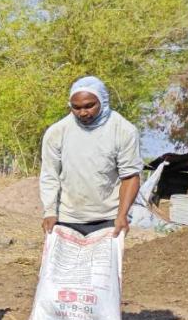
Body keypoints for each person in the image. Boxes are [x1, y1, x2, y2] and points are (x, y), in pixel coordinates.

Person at [39, 76, 142, 237]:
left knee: (103, 263)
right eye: (76, 107)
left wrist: (122, 216)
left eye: (89, 106)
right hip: (66, 217)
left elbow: (130, 177)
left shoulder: (123, 130)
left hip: (108, 219)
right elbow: (49, 175)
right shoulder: (57, 132)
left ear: (103, 101)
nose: (83, 113)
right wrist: (49, 212)